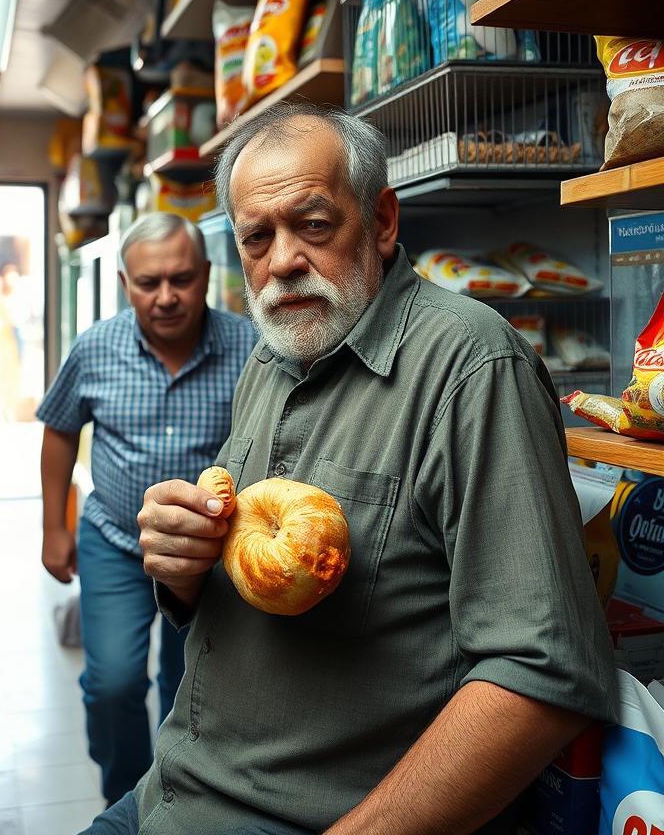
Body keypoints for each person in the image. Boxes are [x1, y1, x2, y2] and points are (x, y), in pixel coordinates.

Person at [81, 105, 618, 835]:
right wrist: (181, 564)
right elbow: (259, 580)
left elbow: (545, 674)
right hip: (172, 791)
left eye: (313, 225)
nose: (282, 262)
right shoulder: (269, 360)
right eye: (256, 238)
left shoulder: (470, 368)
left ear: (383, 221)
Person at [37, 212, 256, 806]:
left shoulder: (251, 348)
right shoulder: (95, 348)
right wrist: (52, 527)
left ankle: (180, 798)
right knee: (112, 683)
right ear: (125, 283)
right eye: (147, 283)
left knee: (188, 684)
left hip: (205, 551)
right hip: (112, 538)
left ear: (206, 274)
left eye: (181, 279)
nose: (165, 298)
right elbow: (59, 431)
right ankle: (127, 803)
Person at [0, 262, 22, 420]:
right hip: (3, 333)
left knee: (13, 373)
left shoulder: (15, 293)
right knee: (1, 372)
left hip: (14, 333)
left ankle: (9, 407)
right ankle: (3, 407)